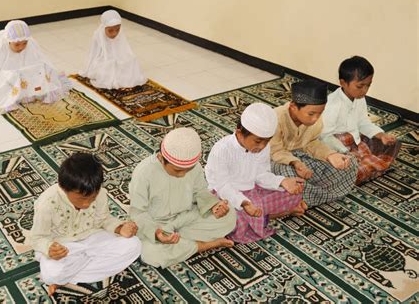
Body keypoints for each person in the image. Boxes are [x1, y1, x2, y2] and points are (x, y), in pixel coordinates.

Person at [27, 153, 141, 296]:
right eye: (81, 199)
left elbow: (103, 220)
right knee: (52, 273)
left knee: (134, 245)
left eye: (92, 198)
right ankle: (66, 276)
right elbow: (37, 238)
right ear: (64, 188)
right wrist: (49, 248)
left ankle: (67, 278)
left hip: (93, 239)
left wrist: (119, 228)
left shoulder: (100, 194)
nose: (87, 204)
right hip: (65, 247)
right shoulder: (47, 203)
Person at [129, 128, 236, 268]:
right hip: (158, 225)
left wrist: (214, 206)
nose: (182, 175)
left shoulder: (195, 167)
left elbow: (201, 192)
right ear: (161, 158)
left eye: (188, 170)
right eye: (178, 170)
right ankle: (203, 245)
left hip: (186, 217)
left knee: (230, 215)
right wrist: (156, 233)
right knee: (149, 253)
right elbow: (138, 212)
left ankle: (181, 244)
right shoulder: (144, 173)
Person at [205, 103, 306, 243]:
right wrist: (244, 203)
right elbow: (222, 186)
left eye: (267, 141)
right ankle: (272, 215)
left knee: (293, 191)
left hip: (254, 192)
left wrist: (282, 181)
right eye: (258, 141)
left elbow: (261, 175)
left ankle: (262, 216)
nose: (262, 146)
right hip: (225, 196)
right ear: (240, 133)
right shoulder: (222, 150)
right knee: (228, 217)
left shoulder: (263, 147)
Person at [270, 79, 358, 207]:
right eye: (311, 114)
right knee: (289, 175)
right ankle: (305, 197)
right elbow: (275, 152)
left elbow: (312, 143)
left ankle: (303, 199)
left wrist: (330, 155)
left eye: (320, 113)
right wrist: (296, 163)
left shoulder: (315, 120)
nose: (316, 118)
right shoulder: (275, 118)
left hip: (303, 158)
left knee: (350, 163)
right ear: (294, 107)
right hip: (278, 161)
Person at [321, 56, 401, 184]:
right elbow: (324, 136)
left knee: (393, 143)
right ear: (343, 83)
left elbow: (363, 123)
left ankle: (365, 166)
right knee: (349, 165)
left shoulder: (359, 98)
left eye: (368, 85)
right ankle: (365, 168)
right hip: (339, 145)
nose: (365, 90)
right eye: (360, 86)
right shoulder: (333, 105)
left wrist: (381, 135)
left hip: (356, 141)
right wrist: (344, 152)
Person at [0, 20, 71, 114]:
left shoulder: (30, 45)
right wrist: (11, 75)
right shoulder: (2, 48)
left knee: (44, 71)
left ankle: (30, 91)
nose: (21, 47)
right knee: (9, 80)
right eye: (17, 45)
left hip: (25, 76)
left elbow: (39, 61)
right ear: (9, 41)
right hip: (9, 77)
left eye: (24, 43)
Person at [81, 9, 146, 89]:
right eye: (110, 31)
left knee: (132, 61)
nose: (115, 33)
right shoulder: (98, 35)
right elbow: (93, 54)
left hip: (119, 58)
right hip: (104, 59)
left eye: (117, 29)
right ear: (104, 27)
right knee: (108, 67)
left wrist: (122, 60)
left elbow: (125, 50)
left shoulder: (120, 35)